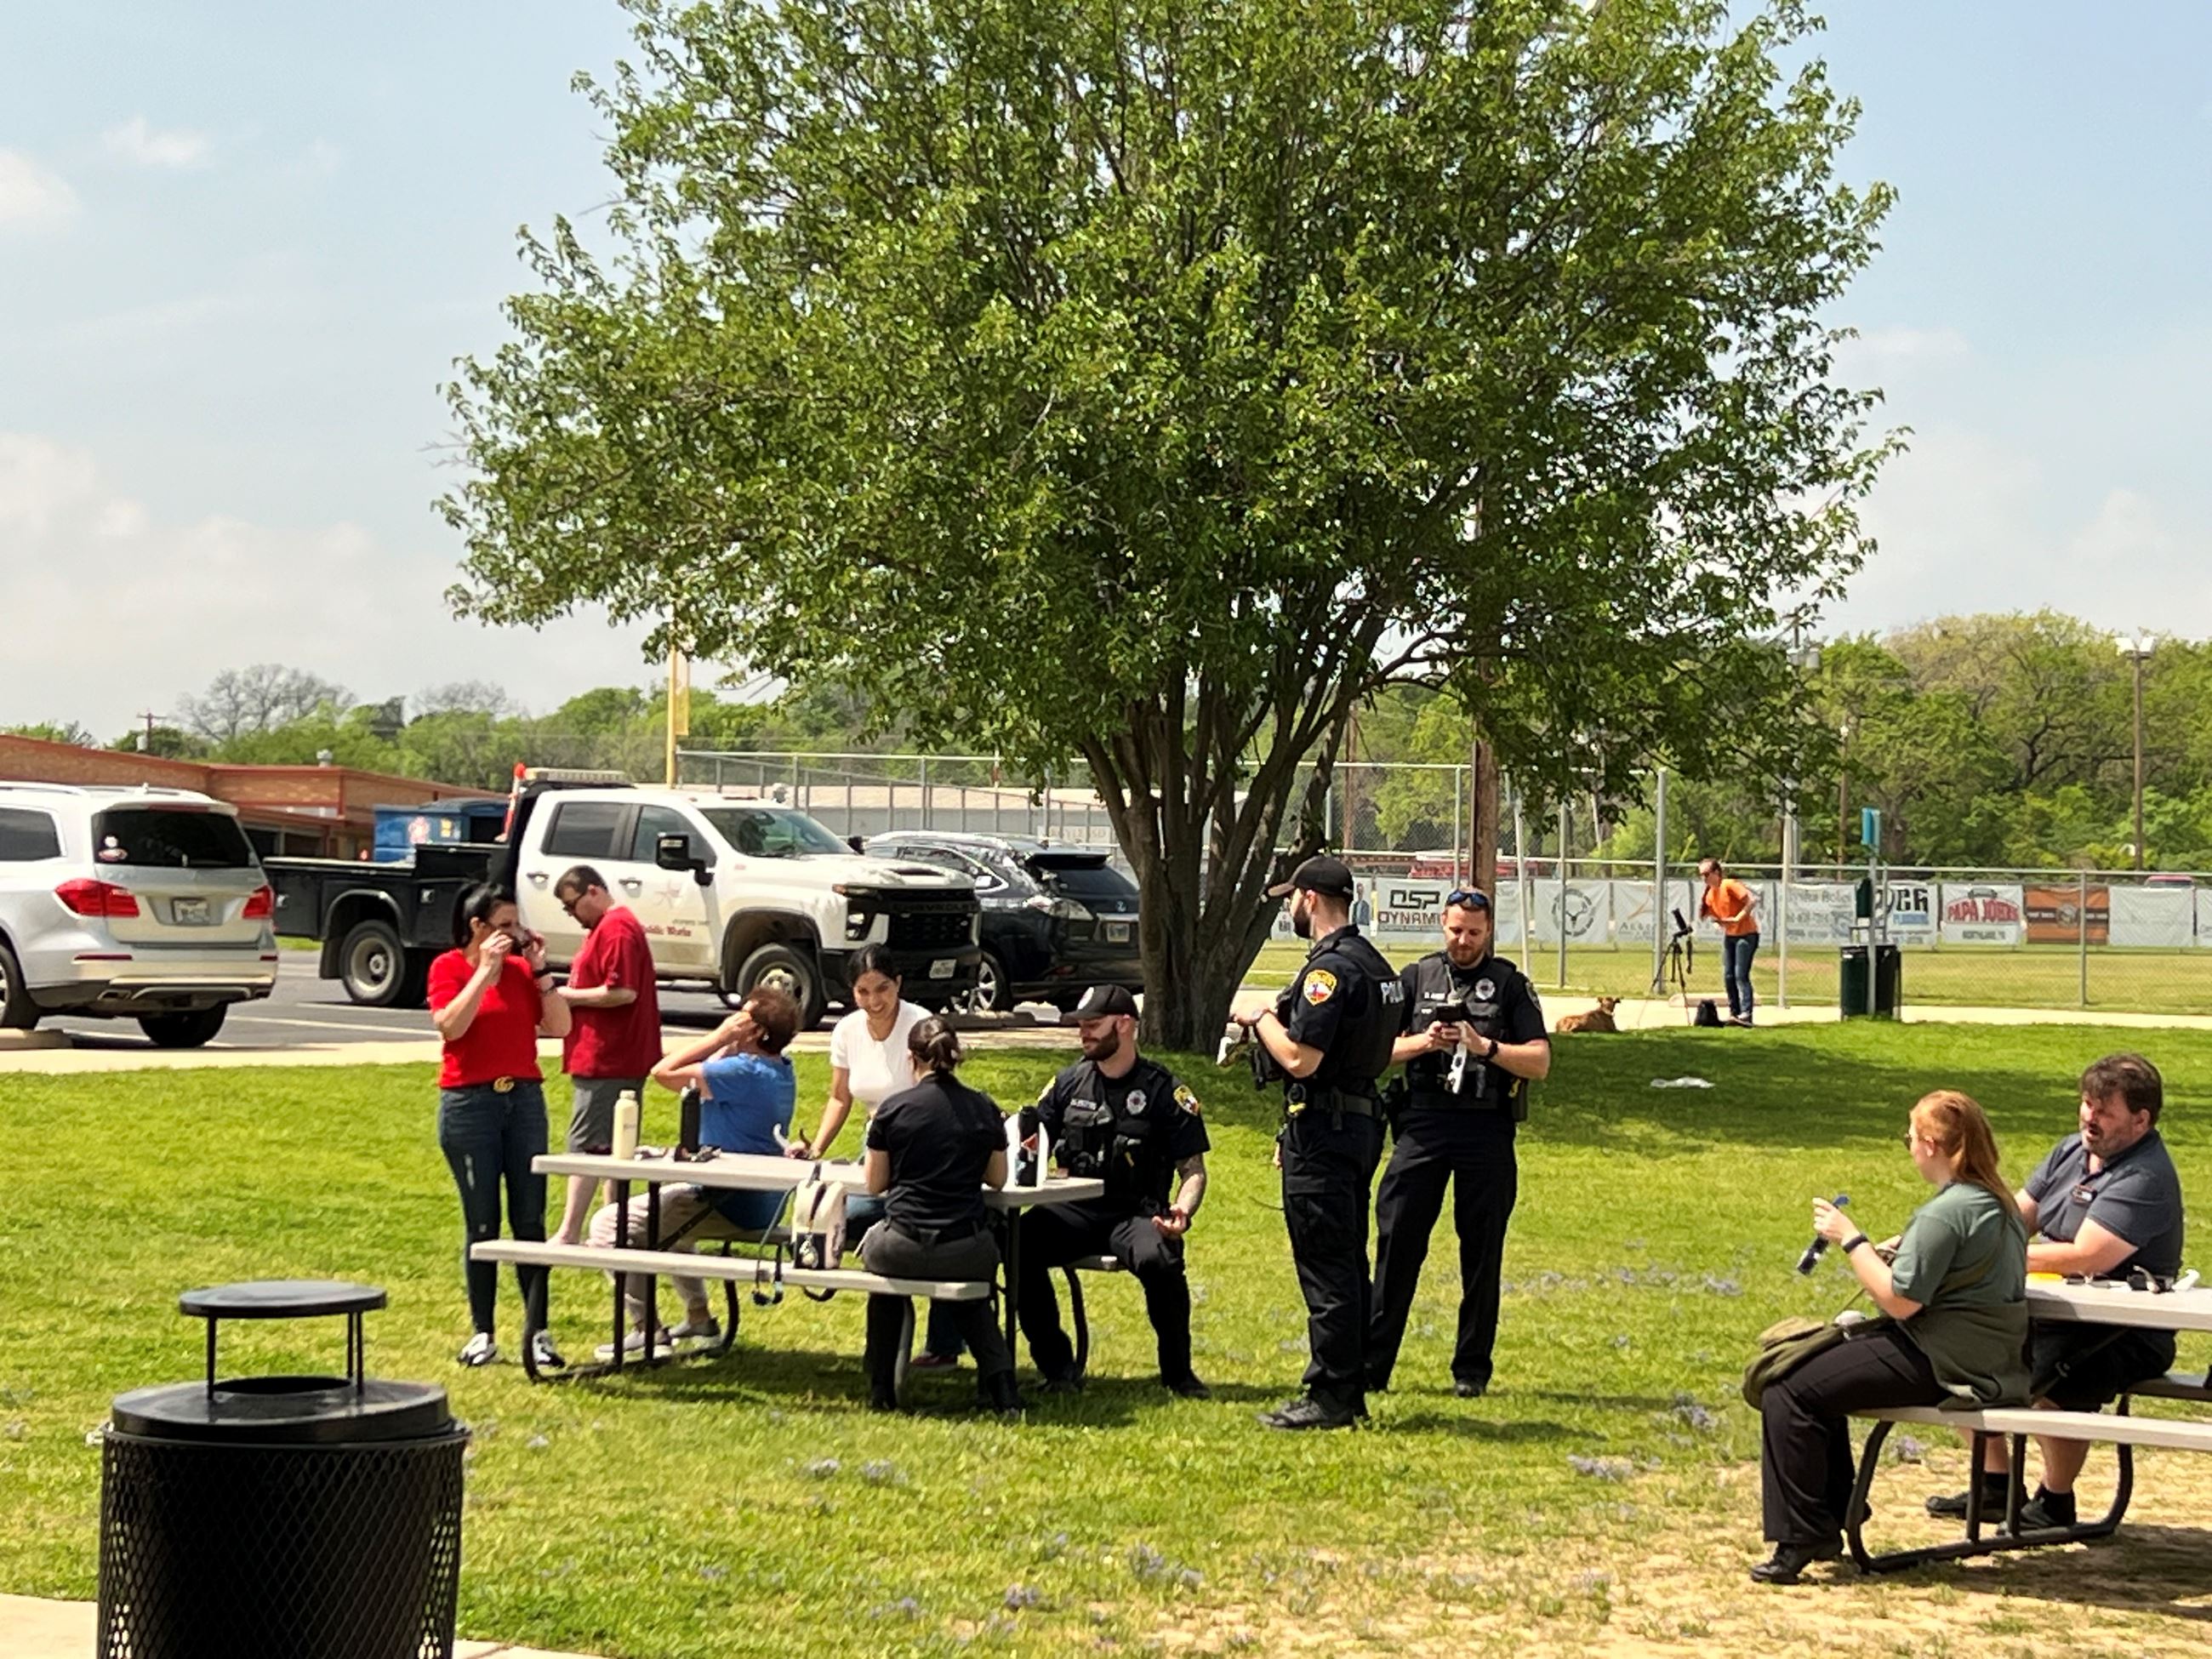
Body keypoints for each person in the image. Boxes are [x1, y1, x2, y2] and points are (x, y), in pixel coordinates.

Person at [1753, 1090, 2028, 1585]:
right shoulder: (1998, 1202)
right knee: (1814, 1380)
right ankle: (1830, 1517)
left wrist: (1851, 1239)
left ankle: (1803, 1532)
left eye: (1909, 1138)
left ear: (1929, 1145)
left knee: (1787, 1386)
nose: (1908, 1147)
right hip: (1984, 1356)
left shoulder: (1948, 1211)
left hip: (1945, 1362)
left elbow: (1898, 1301)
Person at [1924, 1052, 2186, 1532]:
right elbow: (2015, 1218)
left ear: (2141, 1120)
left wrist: (1986, 1258)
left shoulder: (2145, 1177)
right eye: (2087, 1104)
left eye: (2105, 1111)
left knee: (2049, 1377)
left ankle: (2054, 1501)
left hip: (2123, 1331)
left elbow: (2088, 1255)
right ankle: (1997, 1484)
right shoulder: (2070, 1151)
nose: (2090, 1117)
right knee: (1951, 1345)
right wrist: (1952, 1239)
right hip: (2053, 1313)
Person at [1233, 853, 1404, 1430]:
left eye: (1291, 898)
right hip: (1356, 1126)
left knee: (1327, 1264)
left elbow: (1302, 1059)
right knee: (1349, 1262)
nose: (1288, 907)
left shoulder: (1329, 972)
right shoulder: (1378, 966)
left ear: (1309, 898)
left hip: (1325, 1134)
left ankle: (1330, 1395)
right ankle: (1349, 1387)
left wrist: (1260, 1019)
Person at [1367, 887, 1551, 1398]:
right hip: (1422, 1125)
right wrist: (1427, 1040)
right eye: (1455, 930)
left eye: (1473, 932)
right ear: (1441, 925)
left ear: (1489, 931)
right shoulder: (1416, 977)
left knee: (1482, 1252)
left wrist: (1483, 1046)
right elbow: (1376, 1052)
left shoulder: (1510, 984)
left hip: (1485, 1129)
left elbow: (1539, 1061)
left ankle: (1471, 1370)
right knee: (1397, 1243)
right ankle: (1373, 1366)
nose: (1463, 941)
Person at [1016, 985, 1211, 1397]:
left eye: (1092, 1026)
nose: (1083, 1034)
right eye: (1081, 1026)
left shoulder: (1164, 1090)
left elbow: (1193, 1170)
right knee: (1016, 1244)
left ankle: (1179, 1374)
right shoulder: (1068, 1084)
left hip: (1136, 1214)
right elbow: (1029, 1142)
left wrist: (1182, 1210)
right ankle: (1057, 1369)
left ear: (1124, 1025)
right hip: (1074, 1210)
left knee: (1159, 1259)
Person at [584, 986, 801, 1353]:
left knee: (607, 1226)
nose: (731, 1024)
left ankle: (647, 1328)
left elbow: (663, 1072)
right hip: (761, 1201)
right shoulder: (780, 1070)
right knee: (673, 1227)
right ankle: (699, 1319)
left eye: (740, 1019)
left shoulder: (743, 1071)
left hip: (726, 1201)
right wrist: (729, 1043)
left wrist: (718, 1037)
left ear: (756, 1032)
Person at [784, 946, 968, 1366]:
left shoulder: (922, 1026)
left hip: (925, 1155)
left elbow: (941, 1093)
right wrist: (815, 1149)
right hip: (879, 1148)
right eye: (863, 992)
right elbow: (839, 1096)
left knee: (932, 1222)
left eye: (882, 989)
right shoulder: (848, 1030)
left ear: (898, 983)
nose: (874, 1001)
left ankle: (942, 1345)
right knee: (833, 1213)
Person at [428, 884, 573, 1370]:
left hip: (524, 1101)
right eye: (506, 926)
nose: (516, 935)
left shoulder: (520, 972)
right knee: (483, 1222)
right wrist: (484, 974)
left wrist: (541, 971)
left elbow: (560, 1027)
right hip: (470, 1104)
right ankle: (483, 1332)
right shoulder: (449, 968)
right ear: (478, 927)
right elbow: (451, 1026)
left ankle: (538, 1333)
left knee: (530, 1220)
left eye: (517, 926)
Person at [858, 1018, 1024, 1415]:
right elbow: (999, 1179)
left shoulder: (893, 1109)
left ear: (911, 1058)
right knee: (973, 1300)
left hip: (901, 1245)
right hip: (964, 1245)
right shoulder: (983, 1108)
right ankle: (1003, 1390)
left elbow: (874, 1184)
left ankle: (881, 1386)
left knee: (883, 1284)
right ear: (955, 1057)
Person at [550, 864, 664, 1245]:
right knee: (615, 1148)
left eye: (572, 905)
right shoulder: (609, 927)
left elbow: (623, 992)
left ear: (594, 892)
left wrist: (566, 996)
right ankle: (613, 1230)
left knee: (586, 1145)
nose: (571, 914)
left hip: (608, 1057)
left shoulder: (616, 928)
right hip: (612, 1056)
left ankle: (569, 1232)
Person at [1698, 858, 1760, 1026]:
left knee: (1741, 975)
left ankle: (1746, 1014)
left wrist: (1737, 919)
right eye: (1701, 876)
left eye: (1706, 874)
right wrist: (1720, 922)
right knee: (1728, 976)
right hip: (1730, 936)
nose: (1704, 879)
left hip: (1746, 935)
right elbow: (1712, 914)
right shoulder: (1711, 894)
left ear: (1716, 873)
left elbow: (1751, 900)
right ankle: (1735, 1012)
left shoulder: (1729, 884)